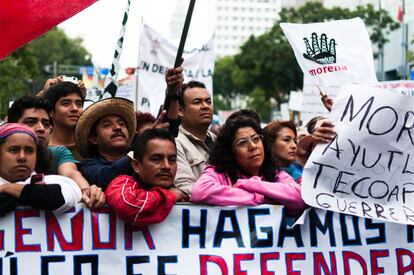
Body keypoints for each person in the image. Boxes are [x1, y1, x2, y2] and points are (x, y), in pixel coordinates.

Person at [78, 66, 184, 193]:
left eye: (121, 123)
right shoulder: (87, 166)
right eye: (107, 124)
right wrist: (146, 143)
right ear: (93, 138)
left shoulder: (142, 155)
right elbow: (105, 178)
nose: (117, 127)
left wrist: (173, 92)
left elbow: (170, 128)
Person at [190, 117, 305, 215]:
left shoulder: (276, 174)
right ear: (230, 151)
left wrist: (249, 184)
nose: (253, 146)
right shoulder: (217, 172)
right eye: (242, 142)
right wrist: (262, 198)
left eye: (256, 139)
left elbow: (300, 197)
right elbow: (199, 192)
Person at [7, 96, 104, 208]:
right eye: (31, 122)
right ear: (12, 126)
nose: (41, 128)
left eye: (46, 124)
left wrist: (86, 191)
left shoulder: (58, 153)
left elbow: (70, 173)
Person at [105, 129, 183, 228]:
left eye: (172, 160)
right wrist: (170, 196)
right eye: (156, 159)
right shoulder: (121, 185)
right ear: (136, 165)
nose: (167, 166)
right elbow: (127, 206)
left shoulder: (181, 194)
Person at [0, 123, 81, 215]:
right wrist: (35, 193)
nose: (22, 157)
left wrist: (6, 188)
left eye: (29, 150)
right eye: (14, 150)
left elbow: (56, 198)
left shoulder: (61, 182)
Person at [174, 81, 216, 199]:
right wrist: (230, 192)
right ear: (180, 111)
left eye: (208, 101)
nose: (205, 106)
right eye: (197, 102)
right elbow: (186, 187)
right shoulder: (175, 143)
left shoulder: (219, 141)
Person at [43, 81, 85, 160]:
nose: (75, 109)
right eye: (66, 103)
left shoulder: (91, 146)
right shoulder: (39, 147)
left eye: (79, 104)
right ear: (51, 111)